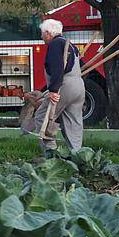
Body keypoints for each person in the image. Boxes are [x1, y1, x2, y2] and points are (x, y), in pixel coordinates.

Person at [37, 17, 85, 153]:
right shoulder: (70, 44)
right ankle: (78, 154)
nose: (41, 37)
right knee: (73, 122)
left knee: (43, 116)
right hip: (79, 86)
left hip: (64, 86)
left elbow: (58, 68)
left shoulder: (55, 44)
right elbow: (82, 65)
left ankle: (51, 153)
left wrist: (52, 90)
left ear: (48, 32)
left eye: (42, 33)